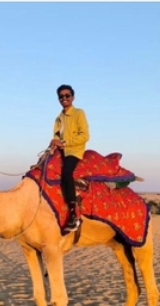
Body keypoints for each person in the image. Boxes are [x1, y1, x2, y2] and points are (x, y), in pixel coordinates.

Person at [51, 84, 90, 232]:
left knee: (66, 173)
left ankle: (74, 213)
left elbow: (85, 136)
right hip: (60, 151)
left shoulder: (79, 113)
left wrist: (65, 143)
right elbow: (56, 136)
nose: (64, 98)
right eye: (61, 96)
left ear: (72, 97)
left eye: (67, 95)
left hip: (74, 151)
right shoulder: (58, 119)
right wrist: (54, 143)